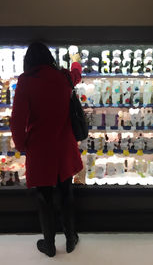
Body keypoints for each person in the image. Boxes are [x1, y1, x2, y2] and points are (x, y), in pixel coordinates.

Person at [10, 42, 83, 257]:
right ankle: (71, 238)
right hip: (64, 145)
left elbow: (17, 120)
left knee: (44, 196)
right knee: (66, 190)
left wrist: (22, 145)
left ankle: (49, 245)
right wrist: (76, 60)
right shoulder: (64, 77)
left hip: (40, 148)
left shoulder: (26, 81)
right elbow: (76, 73)